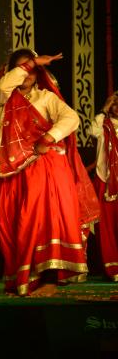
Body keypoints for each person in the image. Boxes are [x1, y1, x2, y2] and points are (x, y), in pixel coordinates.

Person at [0, 49, 99, 297]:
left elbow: (71, 118)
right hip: (14, 172)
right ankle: (25, 280)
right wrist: (33, 62)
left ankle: (49, 281)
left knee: (46, 222)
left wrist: (48, 137)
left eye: (32, 69)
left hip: (46, 170)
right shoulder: (2, 99)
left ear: (39, 74)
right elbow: (0, 88)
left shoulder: (46, 98)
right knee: (16, 224)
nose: (28, 73)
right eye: (22, 68)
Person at [89, 93, 118, 281]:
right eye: (115, 103)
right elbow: (92, 131)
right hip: (106, 181)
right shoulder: (103, 125)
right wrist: (104, 108)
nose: (117, 107)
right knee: (106, 226)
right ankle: (113, 268)